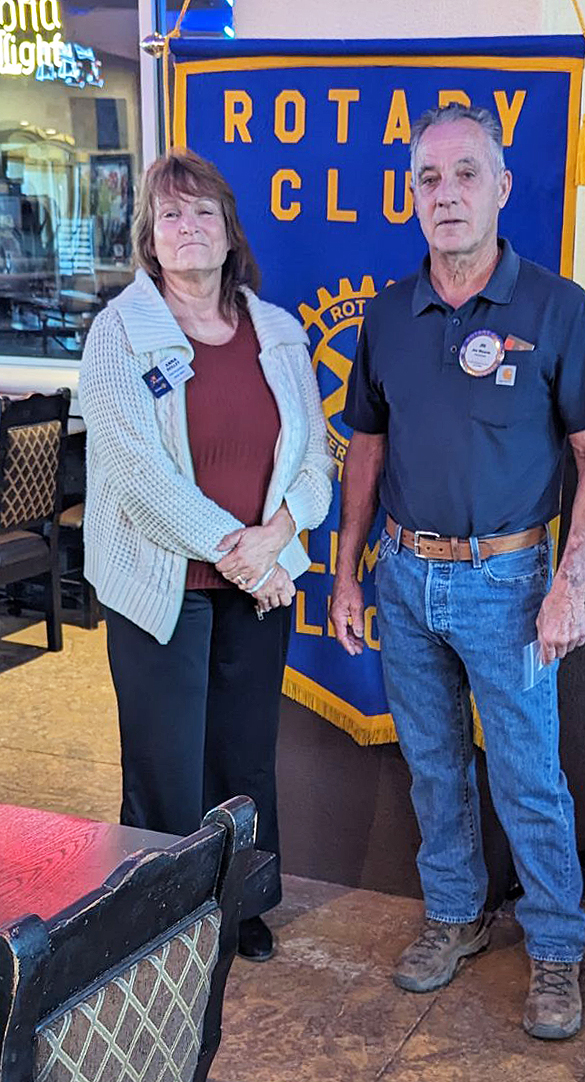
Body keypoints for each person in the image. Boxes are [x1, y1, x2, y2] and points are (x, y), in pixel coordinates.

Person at [331, 104, 585, 1040]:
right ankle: (456, 918)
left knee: (528, 776)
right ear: (411, 196)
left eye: (465, 174)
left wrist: (567, 583)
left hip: (512, 587)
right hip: (405, 582)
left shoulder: (557, 309)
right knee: (432, 768)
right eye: (427, 178)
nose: (445, 194)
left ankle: (553, 950)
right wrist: (345, 575)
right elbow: (364, 454)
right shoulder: (387, 314)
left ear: (501, 188)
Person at [80, 149, 333, 962]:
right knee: (165, 768)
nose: (187, 228)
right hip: (160, 586)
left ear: (229, 231)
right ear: (149, 239)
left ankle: (241, 905)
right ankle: (162, 925)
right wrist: (240, 551)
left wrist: (278, 538)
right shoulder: (120, 331)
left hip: (255, 583)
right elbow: (136, 475)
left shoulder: (280, 331)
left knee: (242, 753)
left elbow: (314, 463)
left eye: (203, 213)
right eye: (169, 215)